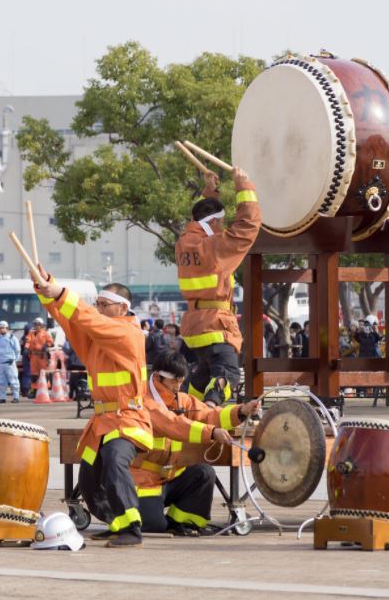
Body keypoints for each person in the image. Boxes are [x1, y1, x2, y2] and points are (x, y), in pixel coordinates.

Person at [34, 269, 152, 548]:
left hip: (126, 419)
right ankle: (116, 522)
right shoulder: (99, 337)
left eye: (103, 304)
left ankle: (132, 527)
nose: (98, 309)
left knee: (114, 463)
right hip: (103, 421)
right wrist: (46, 288)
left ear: (123, 308)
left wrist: (61, 293)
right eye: (97, 304)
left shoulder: (128, 332)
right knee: (89, 479)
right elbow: (71, 320)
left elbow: (85, 317)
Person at [132, 350, 257, 535]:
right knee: (153, 526)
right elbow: (174, 425)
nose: (178, 385)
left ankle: (182, 523)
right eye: (174, 381)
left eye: (181, 380)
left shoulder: (181, 399)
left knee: (204, 473)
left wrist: (241, 411)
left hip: (170, 477)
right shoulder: (144, 401)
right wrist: (212, 432)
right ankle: (153, 519)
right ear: (158, 377)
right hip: (143, 482)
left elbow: (208, 414)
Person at [176, 166, 261, 405]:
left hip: (195, 325)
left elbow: (199, 217)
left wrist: (210, 192)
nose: (223, 226)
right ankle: (211, 407)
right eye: (220, 222)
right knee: (227, 374)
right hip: (215, 323)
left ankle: (182, 407)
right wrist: (244, 187)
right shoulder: (214, 246)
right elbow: (247, 228)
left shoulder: (184, 241)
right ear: (213, 223)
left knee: (203, 374)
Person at [0, 320, 22, 403]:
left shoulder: (12, 338)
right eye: (0, 328)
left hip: (9, 362)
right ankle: (2, 398)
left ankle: (16, 397)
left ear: (6, 328)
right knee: (1, 381)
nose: (1, 330)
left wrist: (14, 360)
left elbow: (17, 350)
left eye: (2, 328)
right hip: (0, 363)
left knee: (13, 380)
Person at [26, 318, 53, 389]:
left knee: (44, 372)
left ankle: (45, 388)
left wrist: (46, 345)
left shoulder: (45, 333)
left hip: (42, 355)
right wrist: (26, 348)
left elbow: (51, 342)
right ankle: (34, 389)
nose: (36, 326)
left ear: (41, 325)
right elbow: (28, 341)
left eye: (37, 324)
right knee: (34, 374)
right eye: (35, 324)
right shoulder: (31, 333)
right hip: (33, 356)